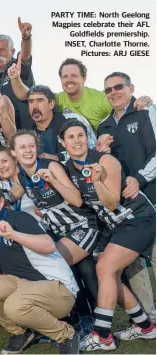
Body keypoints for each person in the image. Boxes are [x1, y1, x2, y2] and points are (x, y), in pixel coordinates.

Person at [58, 120, 156, 352]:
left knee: (105, 270)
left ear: (87, 138)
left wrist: (97, 182)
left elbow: (111, 203)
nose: (76, 141)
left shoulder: (105, 160)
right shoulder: (66, 167)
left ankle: (102, 335)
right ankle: (145, 327)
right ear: (63, 143)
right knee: (109, 274)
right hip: (110, 226)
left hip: (136, 217)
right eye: (70, 137)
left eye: (80, 135)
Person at [0, 182, 80, 354]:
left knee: (14, 306)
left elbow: (49, 245)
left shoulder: (18, 218)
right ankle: (22, 332)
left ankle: (66, 335)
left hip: (57, 288)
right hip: (25, 286)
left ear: (0, 203)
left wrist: (12, 234)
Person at [9, 130, 100, 313]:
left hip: (82, 225)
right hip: (61, 232)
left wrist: (54, 181)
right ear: (13, 152)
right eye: (22, 147)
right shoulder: (21, 177)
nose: (28, 151)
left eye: (31, 146)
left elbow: (77, 200)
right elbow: (10, 197)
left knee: (57, 265)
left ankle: (84, 318)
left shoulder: (51, 166)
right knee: (84, 269)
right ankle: (91, 318)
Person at [98, 72, 156, 323]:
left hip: (151, 195)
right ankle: (149, 319)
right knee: (133, 263)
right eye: (108, 90)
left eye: (118, 87)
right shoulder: (103, 127)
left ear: (131, 87)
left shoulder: (147, 112)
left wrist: (141, 179)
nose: (113, 92)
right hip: (125, 205)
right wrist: (100, 151)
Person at [8, 80, 96, 161]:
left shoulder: (72, 120)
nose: (35, 106)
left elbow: (91, 147)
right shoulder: (28, 134)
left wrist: (57, 158)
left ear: (51, 104)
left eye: (40, 100)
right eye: (31, 102)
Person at [55, 59, 152, 130]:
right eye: (65, 77)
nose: (69, 80)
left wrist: (143, 100)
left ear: (83, 78)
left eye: (74, 76)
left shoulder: (101, 98)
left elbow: (127, 106)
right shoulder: (56, 99)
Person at [0, 18, 35, 129]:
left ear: (12, 51)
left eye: (2, 50)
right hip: (5, 132)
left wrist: (26, 38)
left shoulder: (16, 66)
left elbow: (25, 55)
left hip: (26, 130)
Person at [0, 146, 43, 221]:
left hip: (46, 226)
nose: (1, 166)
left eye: (4, 161)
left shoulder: (33, 174)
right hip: (19, 229)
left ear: (14, 159)